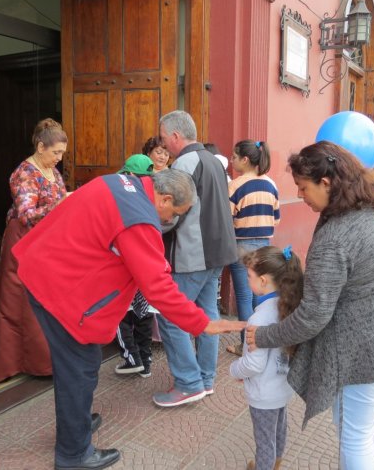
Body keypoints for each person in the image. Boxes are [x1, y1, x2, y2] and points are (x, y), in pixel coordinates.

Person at [13, 168, 245, 470]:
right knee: (79, 369)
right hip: (58, 288)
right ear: (164, 199)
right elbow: (157, 286)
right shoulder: (138, 219)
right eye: (176, 214)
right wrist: (202, 324)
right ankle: (73, 454)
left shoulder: (118, 182)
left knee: (78, 366)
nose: (172, 221)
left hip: (48, 269)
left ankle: (75, 423)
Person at [245, 141, 374, 470]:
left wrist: (265, 336)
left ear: (326, 182)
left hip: (368, 360)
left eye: (303, 188)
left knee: (356, 437)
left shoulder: (335, 237)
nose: (301, 196)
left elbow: (313, 316)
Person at [0, 118, 68, 385]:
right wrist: (63, 203)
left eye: (62, 153)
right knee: (18, 300)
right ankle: (15, 359)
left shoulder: (52, 171)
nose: (59, 158)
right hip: (23, 240)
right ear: (40, 147)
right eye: (56, 152)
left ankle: (44, 359)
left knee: (45, 298)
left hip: (46, 242)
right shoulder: (23, 173)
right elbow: (27, 214)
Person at [154, 110, 238, 407]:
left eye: (164, 139)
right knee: (207, 315)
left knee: (171, 317)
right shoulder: (214, 161)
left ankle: (189, 383)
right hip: (217, 252)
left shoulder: (185, 163)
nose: (164, 145)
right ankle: (205, 379)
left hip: (194, 254)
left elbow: (172, 213)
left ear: (176, 136)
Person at [229, 245, 303, 470]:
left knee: (264, 442)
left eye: (249, 276)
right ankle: (275, 465)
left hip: (264, 392)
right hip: (282, 386)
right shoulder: (288, 306)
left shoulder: (259, 318)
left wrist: (235, 369)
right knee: (278, 431)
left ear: (263, 281)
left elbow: (253, 363)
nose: (246, 280)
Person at [226, 140, 280, 356]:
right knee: (262, 295)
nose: (231, 161)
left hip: (241, 245)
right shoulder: (271, 184)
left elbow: (227, 217)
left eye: (234, 157)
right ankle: (262, 341)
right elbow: (276, 218)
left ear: (245, 160)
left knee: (244, 296)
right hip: (265, 245)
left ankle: (246, 346)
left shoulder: (235, 185)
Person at [113, 154, 156, 378]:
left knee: (121, 311)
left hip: (124, 261)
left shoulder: (122, 194)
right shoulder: (153, 194)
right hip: (147, 261)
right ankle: (145, 361)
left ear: (129, 174)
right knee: (144, 311)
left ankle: (132, 358)